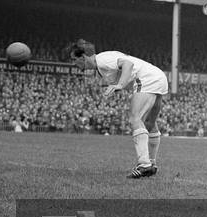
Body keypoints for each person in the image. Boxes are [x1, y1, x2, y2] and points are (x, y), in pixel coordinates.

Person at [68, 39, 168, 179]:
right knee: (150, 123)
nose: (73, 64)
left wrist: (120, 85)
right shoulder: (101, 66)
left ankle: (144, 165)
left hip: (147, 78)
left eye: (74, 60)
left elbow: (128, 64)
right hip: (158, 76)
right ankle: (151, 163)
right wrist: (115, 86)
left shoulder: (102, 59)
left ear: (83, 57)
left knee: (135, 118)